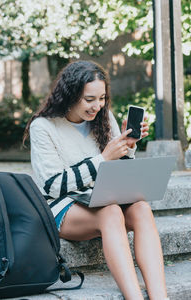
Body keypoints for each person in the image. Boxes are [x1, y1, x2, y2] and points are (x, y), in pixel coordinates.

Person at [23, 60, 169, 300]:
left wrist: (127, 149)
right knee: (110, 212)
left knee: (142, 208)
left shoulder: (104, 117)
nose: (97, 106)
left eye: (101, 98)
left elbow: (115, 174)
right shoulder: (44, 127)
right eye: (89, 99)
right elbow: (51, 185)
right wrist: (102, 159)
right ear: (69, 95)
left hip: (99, 197)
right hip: (62, 207)